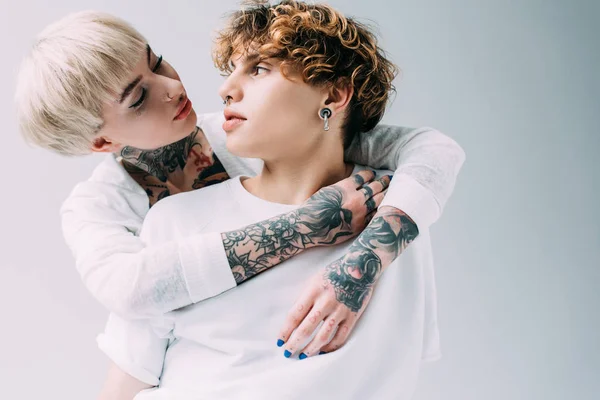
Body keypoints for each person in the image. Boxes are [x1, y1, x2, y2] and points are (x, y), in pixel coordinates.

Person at [95, 1, 463, 399]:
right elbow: (127, 380)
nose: (225, 89)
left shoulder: (399, 215)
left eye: (258, 69)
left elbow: (395, 367)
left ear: (334, 94)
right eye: (231, 70)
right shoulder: (175, 218)